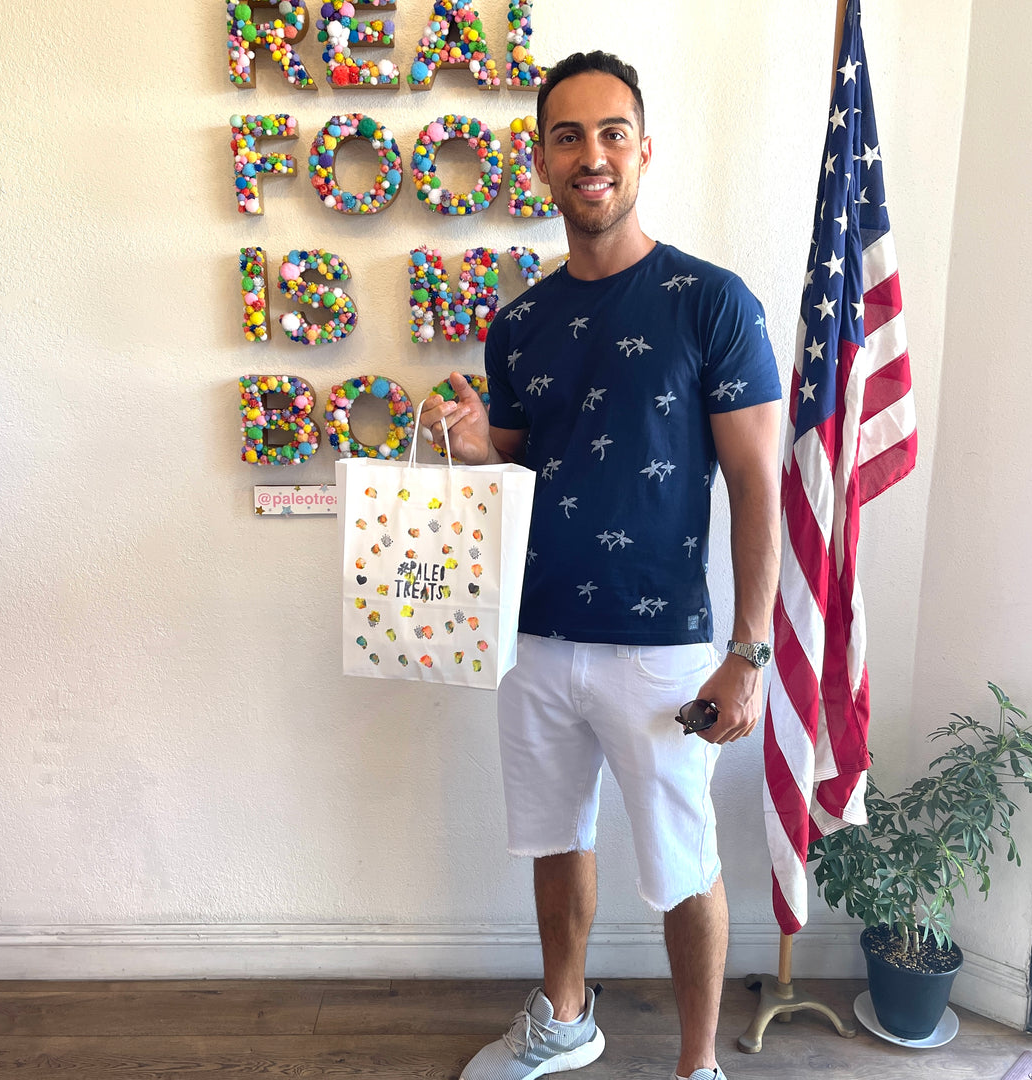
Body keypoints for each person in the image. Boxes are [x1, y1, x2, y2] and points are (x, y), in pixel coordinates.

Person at [420, 50, 782, 1080]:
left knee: (684, 866)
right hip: (532, 635)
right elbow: (540, 451)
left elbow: (758, 482)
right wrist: (484, 440)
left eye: (611, 132)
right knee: (551, 836)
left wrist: (747, 652)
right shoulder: (518, 324)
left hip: (663, 643)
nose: (592, 155)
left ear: (644, 149)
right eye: (568, 136)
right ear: (540, 161)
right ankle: (566, 1018)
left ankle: (698, 1065)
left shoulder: (712, 304)